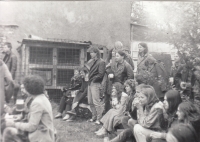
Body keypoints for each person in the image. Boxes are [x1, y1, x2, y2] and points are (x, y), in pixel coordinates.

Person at [2, 75, 55, 142]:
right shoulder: (41, 98)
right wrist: (19, 118)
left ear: (30, 89)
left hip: (41, 137)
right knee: (4, 124)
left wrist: (13, 124)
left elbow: (31, 127)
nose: (22, 90)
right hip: (41, 132)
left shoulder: (37, 102)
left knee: (8, 132)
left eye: (24, 88)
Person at [87, 46, 105, 124]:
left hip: (95, 83)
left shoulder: (101, 62)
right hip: (90, 83)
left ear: (96, 53)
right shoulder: (93, 61)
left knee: (96, 102)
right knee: (90, 101)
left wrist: (93, 79)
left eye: (92, 52)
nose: (90, 54)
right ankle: (94, 117)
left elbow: (101, 74)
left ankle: (99, 119)